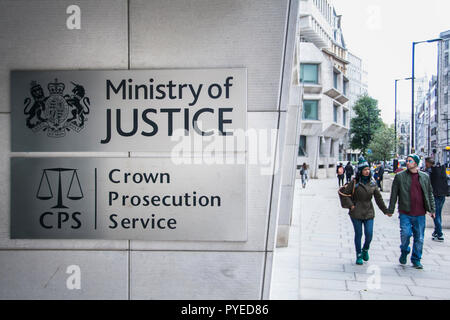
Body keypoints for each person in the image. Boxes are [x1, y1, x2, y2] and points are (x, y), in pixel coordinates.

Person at [388, 154, 436, 269]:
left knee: (419, 238)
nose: (407, 163)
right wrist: (391, 209)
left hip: (420, 213)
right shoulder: (400, 176)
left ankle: (416, 259)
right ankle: (404, 250)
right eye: (407, 160)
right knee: (406, 234)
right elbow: (394, 194)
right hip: (405, 212)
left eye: (410, 161)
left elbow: (429, 193)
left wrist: (432, 209)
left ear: (416, 163)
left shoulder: (424, 177)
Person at [340, 157, 390, 265]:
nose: (367, 171)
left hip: (369, 212)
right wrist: (351, 206)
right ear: (360, 171)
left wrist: (385, 210)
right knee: (358, 234)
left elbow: (379, 199)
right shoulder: (354, 182)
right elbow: (345, 195)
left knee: (369, 234)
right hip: (356, 212)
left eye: (368, 169)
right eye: (364, 170)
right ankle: (358, 254)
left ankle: (365, 249)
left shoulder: (372, 183)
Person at [424, 157, 446, 242]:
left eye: (426, 163)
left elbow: (426, 182)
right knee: (438, 214)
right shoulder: (440, 169)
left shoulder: (430, 171)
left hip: (435, 195)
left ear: (428, 163)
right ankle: (436, 231)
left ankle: (440, 234)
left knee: (435, 215)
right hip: (442, 195)